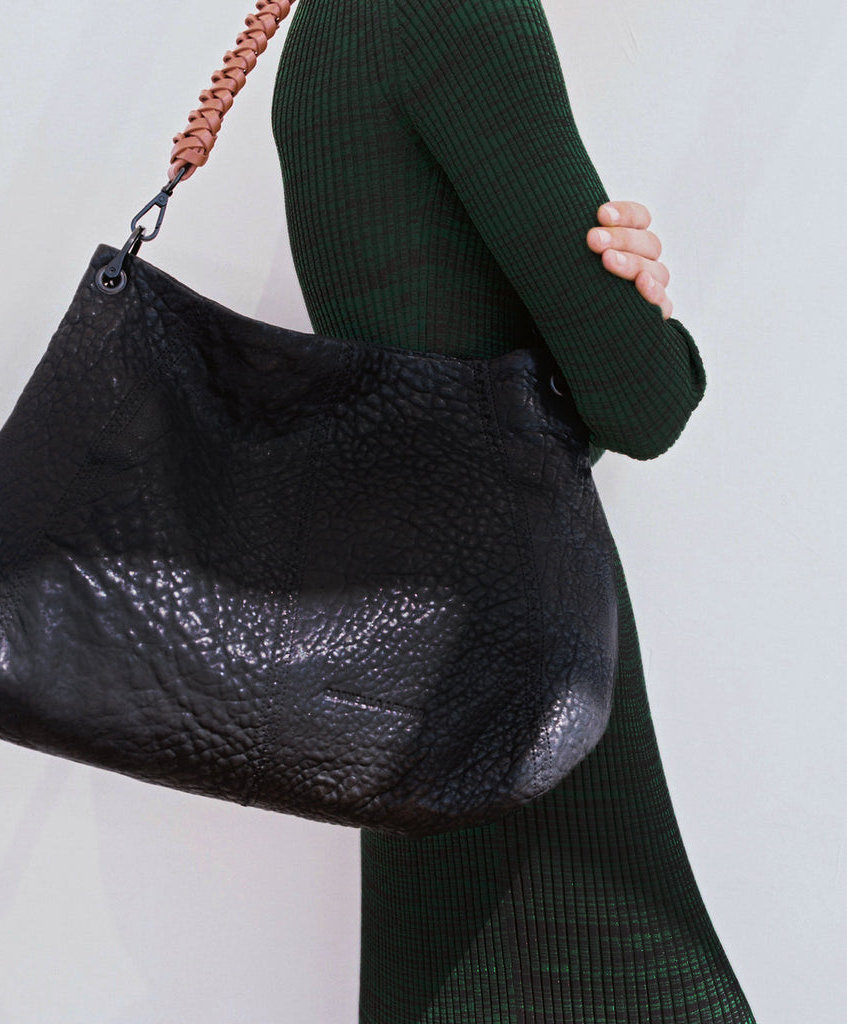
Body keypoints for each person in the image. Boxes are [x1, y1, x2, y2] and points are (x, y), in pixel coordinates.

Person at [255, 0, 759, 1021]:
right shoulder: (460, 14)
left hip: (410, 650)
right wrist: (644, 319)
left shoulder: (325, 30)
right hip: (525, 658)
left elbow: (442, 376)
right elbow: (642, 400)